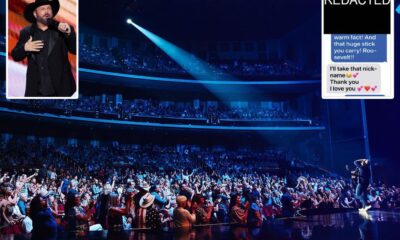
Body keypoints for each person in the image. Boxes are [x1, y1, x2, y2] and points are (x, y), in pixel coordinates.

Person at [11, 0, 76, 97]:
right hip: (36, 91)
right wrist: (25, 48)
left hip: (61, 90)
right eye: (42, 8)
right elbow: (15, 56)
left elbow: (74, 50)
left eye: (49, 8)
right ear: (35, 13)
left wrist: (69, 34)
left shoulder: (64, 29)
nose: (47, 11)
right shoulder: (26, 32)